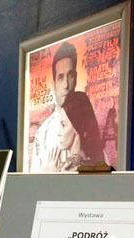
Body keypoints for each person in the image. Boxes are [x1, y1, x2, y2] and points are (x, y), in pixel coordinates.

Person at [31, 41, 104, 171]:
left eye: (70, 75)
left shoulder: (87, 123)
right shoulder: (42, 134)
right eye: (60, 77)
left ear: (75, 78)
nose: (66, 85)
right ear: (54, 83)